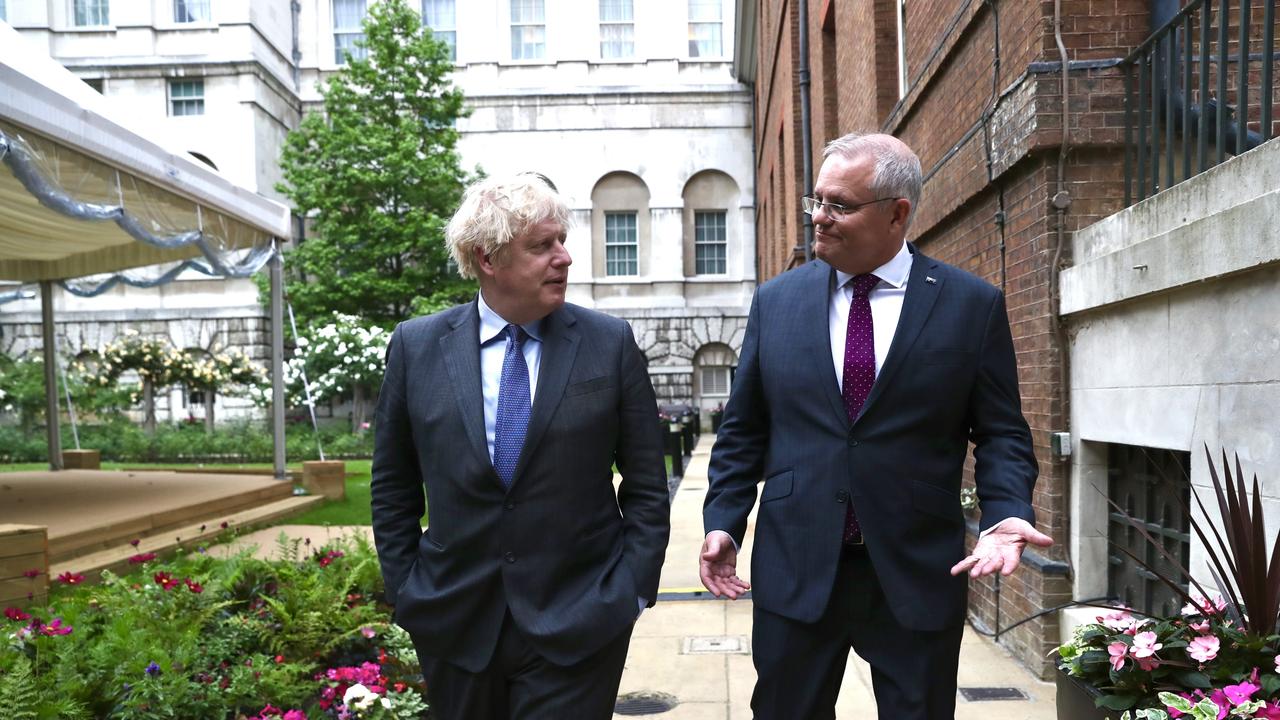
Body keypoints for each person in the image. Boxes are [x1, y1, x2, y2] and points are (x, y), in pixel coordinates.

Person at [700, 132, 1053, 720]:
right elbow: (743, 432)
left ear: (898, 214)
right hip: (797, 564)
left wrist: (1007, 511)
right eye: (817, 201)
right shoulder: (775, 303)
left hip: (914, 569)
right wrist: (724, 523)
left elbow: (1002, 433)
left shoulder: (970, 306)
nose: (820, 217)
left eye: (840, 205)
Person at [371, 173, 671, 720]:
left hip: (582, 620)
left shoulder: (608, 343)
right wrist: (407, 590)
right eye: (542, 246)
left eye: (561, 241)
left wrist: (630, 590)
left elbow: (647, 483)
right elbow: (392, 482)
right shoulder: (416, 347)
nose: (564, 258)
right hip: (454, 621)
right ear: (488, 259)